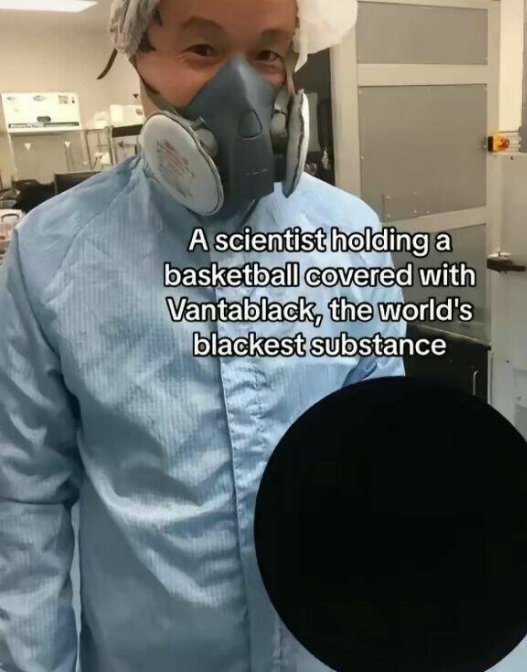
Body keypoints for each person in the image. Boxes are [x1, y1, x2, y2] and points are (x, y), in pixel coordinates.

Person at [0, 1, 405, 671]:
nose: (241, 90)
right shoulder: (51, 254)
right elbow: (24, 500)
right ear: (137, 56)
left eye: (267, 54)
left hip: (321, 645)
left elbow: (379, 451)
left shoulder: (350, 235)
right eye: (203, 51)